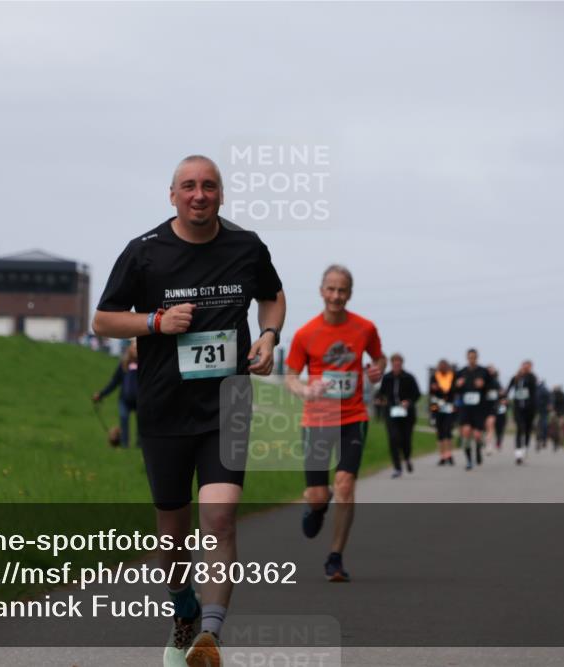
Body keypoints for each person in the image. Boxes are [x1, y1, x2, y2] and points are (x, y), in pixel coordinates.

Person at [92, 155, 286, 667]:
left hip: (229, 403)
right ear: (172, 195)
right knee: (172, 539)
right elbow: (103, 321)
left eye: (209, 186)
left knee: (220, 518)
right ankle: (184, 612)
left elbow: (272, 296)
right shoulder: (145, 253)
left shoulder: (246, 246)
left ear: (221, 194)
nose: (199, 194)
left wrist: (268, 336)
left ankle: (211, 639)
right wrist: (155, 322)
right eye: (188, 186)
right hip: (165, 408)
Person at [285, 265, 385, 582]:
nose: (336, 296)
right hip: (316, 420)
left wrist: (376, 369)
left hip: (353, 417)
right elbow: (290, 377)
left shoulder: (365, 328)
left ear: (350, 294)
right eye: (330, 289)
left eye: (342, 290)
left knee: (345, 484)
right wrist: (305, 389)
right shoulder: (305, 333)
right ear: (321, 291)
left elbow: (379, 358)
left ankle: (335, 557)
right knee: (317, 494)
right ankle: (316, 503)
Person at [376, 353, 421, 477]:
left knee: (406, 440)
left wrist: (409, 402)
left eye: (398, 362)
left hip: (407, 414)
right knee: (393, 439)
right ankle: (397, 467)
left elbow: (417, 394)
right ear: (391, 364)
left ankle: (407, 458)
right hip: (391, 413)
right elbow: (381, 393)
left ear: (402, 364)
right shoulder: (387, 378)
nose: (396, 365)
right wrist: (380, 400)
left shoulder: (409, 377)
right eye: (394, 362)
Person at [92, 340, 139, 448]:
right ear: (129, 349)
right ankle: (124, 445)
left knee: (141, 423)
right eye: (134, 347)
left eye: (137, 347)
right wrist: (101, 394)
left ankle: (140, 445)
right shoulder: (123, 365)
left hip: (140, 400)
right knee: (123, 418)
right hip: (124, 399)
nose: (136, 350)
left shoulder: (145, 364)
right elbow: (114, 382)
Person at [455, 348, 489, 470]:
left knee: (477, 435)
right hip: (465, 408)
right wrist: (457, 385)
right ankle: (469, 460)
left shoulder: (483, 372)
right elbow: (454, 390)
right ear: (467, 358)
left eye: (474, 357)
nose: (472, 359)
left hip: (479, 408)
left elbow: (490, 389)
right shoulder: (461, 372)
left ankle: (478, 451)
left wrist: (483, 385)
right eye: (470, 357)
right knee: (466, 432)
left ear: (477, 358)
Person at [507, 360, 538, 465]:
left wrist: (527, 375)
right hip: (518, 408)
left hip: (530, 408)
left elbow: (534, 388)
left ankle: (525, 448)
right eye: (524, 366)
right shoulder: (515, 378)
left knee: (528, 429)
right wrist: (504, 398)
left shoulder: (532, 378)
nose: (525, 368)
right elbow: (508, 389)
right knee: (520, 428)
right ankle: (518, 454)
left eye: (528, 367)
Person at [428, 360, 457, 466]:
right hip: (437, 406)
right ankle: (442, 455)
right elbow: (431, 393)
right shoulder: (434, 377)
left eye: (445, 366)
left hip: (449, 406)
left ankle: (449, 454)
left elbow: (455, 390)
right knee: (439, 432)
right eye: (441, 366)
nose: (443, 368)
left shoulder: (452, 376)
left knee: (448, 431)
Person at [483, 365, 501, 454]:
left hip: (493, 407)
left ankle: (488, 444)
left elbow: (500, 393)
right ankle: (485, 440)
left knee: (490, 424)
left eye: (491, 371)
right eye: (488, 370)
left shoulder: (496, 382)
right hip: (483, 407)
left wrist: (502, 398)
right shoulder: (482, 382)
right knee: (486, 426)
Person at [551, 385, 564, 450]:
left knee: (556, 427)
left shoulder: (554, 395)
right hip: (562, 413)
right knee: (560, 427)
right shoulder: (563, 395)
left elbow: (552, 405)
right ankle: (561, 441)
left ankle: (558, 441)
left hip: (558, 413)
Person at [535, 379, 551, 450]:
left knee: (541, 424)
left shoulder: (541, 389)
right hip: (540, 411)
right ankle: (543, 439)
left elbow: (550, 398)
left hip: (541, 411)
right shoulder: (544, 389)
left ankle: (541, 439)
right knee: (542, 424)